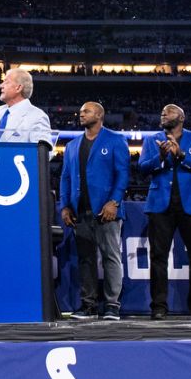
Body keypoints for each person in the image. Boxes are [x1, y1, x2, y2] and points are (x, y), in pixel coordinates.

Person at [138, 104, 191, 320]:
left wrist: (181, 156)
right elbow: (143, 168)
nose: (163, 114)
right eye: (162, 112)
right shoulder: (151, 140)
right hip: (160, 205)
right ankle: (159, 307)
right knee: (159, 257)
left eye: (168, 112)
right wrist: (161, 158)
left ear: (181, 117)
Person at [60, 102, 129, 320]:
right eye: (80, 111)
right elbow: (65, 178)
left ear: (99, 114)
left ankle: (112, 305)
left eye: (86, 111)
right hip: (80, 210)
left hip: (106, 211)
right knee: (85, 259)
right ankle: (88, 305)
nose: (81, 114)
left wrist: (114, 202)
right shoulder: (72, 146)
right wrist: (65, 205)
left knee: (111, 257)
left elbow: (123, 174)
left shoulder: (115, 140)